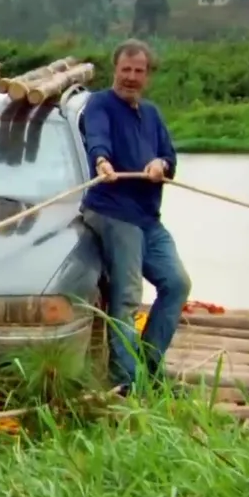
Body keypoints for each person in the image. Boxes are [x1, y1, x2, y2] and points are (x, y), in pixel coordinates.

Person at [79, 39, 192, 392]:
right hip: (113, 212)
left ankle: (149, 367)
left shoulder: (152, 114)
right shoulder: (99, 104)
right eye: (125, 70)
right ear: (115, 70)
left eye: (138, 71)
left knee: (177, 284)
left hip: (147, 218)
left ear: (147, 75)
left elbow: (169, 158)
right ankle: (126, 382)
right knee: (127, 297)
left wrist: (161, 165)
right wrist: (102, 161)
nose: (131, 77)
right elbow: (97, 139)